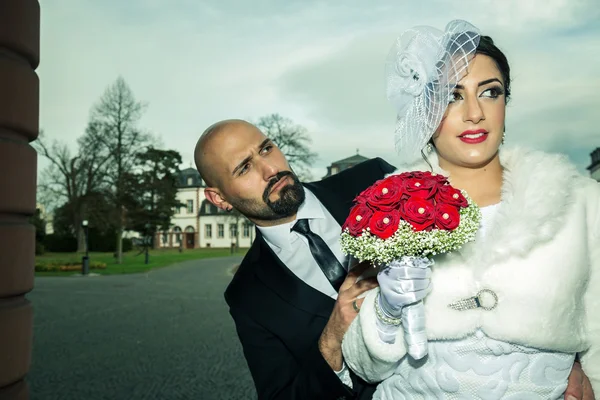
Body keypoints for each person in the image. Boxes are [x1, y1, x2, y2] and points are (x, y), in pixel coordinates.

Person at [193, 118, 594, 399]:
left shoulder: (378, 180)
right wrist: (332, 339)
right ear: (218, 198)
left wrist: (560, 358)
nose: (270, 168)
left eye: (266, 148)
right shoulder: (248, 296)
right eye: (245, 167)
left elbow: (501, 252)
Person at [340, 20, 599, 399]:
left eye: (490, 92)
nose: (474, 112)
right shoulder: (388, 208)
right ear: (426, 110)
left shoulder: (580, 203)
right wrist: (387, 308)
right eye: (453, 96)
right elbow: (363, 365)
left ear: (505, 103)